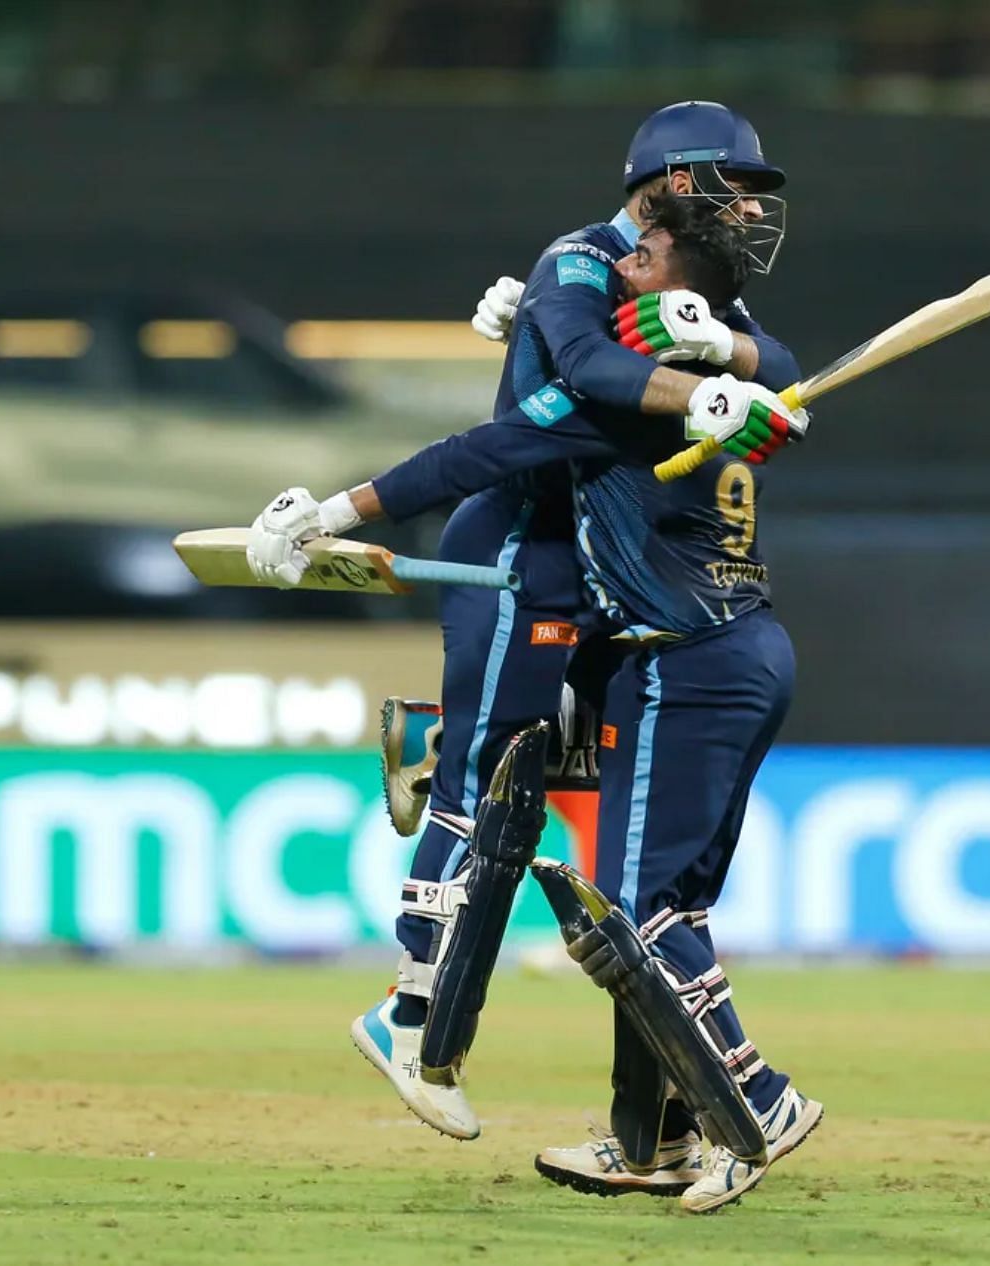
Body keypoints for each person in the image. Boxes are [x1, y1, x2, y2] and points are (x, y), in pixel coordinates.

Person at [244, 102, 805, 1143]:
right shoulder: (586, 258)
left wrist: (720, 345)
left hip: (600, 571)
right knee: (487, 795)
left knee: (557, 764)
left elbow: (779, 356)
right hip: (517, 555)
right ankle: (411, 1012)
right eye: (733, 184)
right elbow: (565, 399)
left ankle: (435, 735)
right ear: (669, 186)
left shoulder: (689, 272)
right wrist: (698, 394)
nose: (748, 206)